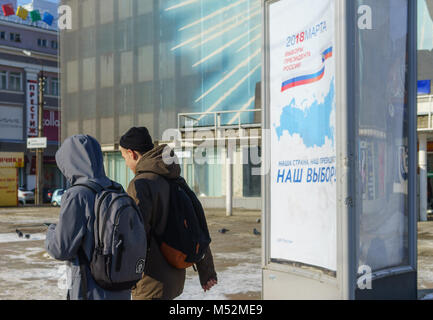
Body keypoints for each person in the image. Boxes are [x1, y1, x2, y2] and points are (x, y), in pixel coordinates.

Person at [119, 127, 217, 300]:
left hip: (150, 282)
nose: (126, 163)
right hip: (175, 277)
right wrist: (206, 270)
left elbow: (134, 235)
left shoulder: (141, 184)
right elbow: (196, 224)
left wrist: (121, 277)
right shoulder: (174, 178)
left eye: (124, 157)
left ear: (131, 153)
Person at [45, 135, 131, 300]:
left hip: (89, 287)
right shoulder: (116, 188)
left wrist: (51, 232)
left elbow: (61, 249)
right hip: (120, 285)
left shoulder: (77, 195)